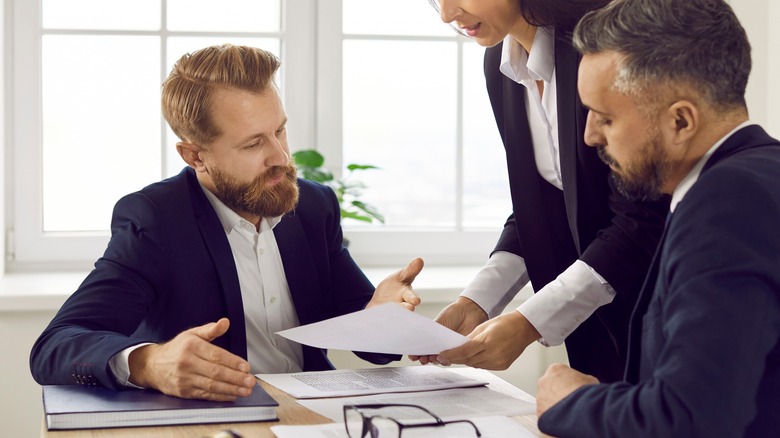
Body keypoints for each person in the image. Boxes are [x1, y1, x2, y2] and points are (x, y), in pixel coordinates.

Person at [30, 44, 424, 402]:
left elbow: (373, 344)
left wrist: (383, 315)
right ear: (195, 156)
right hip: (212, 422)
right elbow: (55, 347)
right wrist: (150, 363)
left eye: (280, 130)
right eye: (253, 144)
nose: (281, 157)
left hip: (311, 417)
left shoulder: (313, 207)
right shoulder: (156, 220)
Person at [535, 0, 780, 436]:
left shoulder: (726, 201)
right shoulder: (762, 176)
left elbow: (689, 418)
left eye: (605, 117)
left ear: (681, 121)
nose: (590, 135)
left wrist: (572, 402)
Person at [415, 0, 668, 382]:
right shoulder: (500, 65)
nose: (448, 14)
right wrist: (477, 302)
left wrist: (529, 322)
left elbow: (642, 219)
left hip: (658, 316)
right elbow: (543, 204)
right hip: (594, 327)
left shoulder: (604, 50)